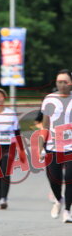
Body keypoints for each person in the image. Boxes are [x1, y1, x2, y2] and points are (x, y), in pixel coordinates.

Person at [41, 69, 72, 222]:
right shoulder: (49, 99)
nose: (61, 85)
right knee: (54, 178)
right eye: (59, 81)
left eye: (65, 82)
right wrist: (41, 146)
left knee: (70, 177)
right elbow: (45, 125)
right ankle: (58, 200)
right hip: (53, 146)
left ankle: (67, 210)